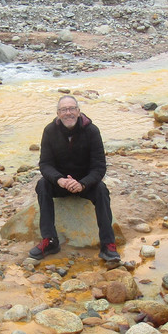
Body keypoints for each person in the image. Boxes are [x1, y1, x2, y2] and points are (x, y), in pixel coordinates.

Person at [30, 94, 120, 262]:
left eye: (72, 109)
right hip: (61, 184)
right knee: (42, 185)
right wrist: (59, 180)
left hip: (85, 184)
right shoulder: (50, 131)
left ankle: (108, 245)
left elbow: (99, 166)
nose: (68, 113)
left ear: (79, 112)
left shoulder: (92, 131)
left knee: (101, 189)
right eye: (64, 110)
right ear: (58, 113)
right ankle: (50, 240)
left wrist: (83, 184)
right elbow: (45, 164)